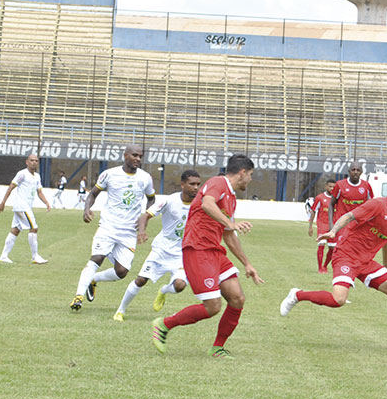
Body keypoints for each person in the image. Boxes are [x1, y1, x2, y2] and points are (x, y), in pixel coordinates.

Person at [279, 175, 387, 355]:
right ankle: (297, 295)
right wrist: (333, 232)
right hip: (346, 255)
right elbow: (349, 216)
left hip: (366, 262)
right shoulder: (377, 205)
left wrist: (386, 267)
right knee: (339, 300)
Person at [151, 154, 263, 359]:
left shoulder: (231, 198)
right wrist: (230, 223)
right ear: (243, 172)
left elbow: (228, 235)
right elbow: (207, 204)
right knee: (212, 307)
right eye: (251, 175)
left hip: (215, 251)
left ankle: (217, 347)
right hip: (198, 250)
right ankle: (164, 324)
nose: (250, 180)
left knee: (237, 299)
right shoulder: (218, 183)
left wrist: (247, 263)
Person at [70, 146, 155, 311]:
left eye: (140, 156)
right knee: (97, 257)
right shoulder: (109, 174)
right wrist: (87, 209)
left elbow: (152, 199)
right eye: (134, 155)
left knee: (122, 271)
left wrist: (145, 216)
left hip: (129, 231)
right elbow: (93, 194)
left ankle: (94, 280)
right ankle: (78, 296)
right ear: (125, 156)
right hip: (108, 226)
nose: (138, 159)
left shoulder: (145, 178)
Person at [114, 169, 202, 321]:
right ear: (182, 184)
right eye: (192, 184)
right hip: (162, 249)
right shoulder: (170, 200)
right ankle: (120, 311)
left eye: (198, 184)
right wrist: (142, 231)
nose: (196, 187)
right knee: (141, 280)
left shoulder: (201, 204)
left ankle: (163, 291)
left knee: (180, 286)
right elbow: (145, 216)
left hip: (182, 253)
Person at [0, 152, 51, 264]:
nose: (34, 162)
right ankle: (35, 257)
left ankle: (3, 256)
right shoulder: (22, 174)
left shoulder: (37, 176)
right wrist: (3, 202)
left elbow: (39, 191)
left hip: (25, 207)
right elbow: (11, 186)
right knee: (34, 228)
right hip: (22, 206)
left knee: (15, 230)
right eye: (31, 160)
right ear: (27, 162)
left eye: (36, 161)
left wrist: (46, 202)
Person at [329, 161, 373, 245]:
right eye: (353, 170)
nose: (355, 172)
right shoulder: (340, 185)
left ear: (361, 172)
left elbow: (370, 207)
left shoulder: (366, 186)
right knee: (341, 251)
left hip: (358, 226)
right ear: (349, 171)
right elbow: (331, 204)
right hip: (342, 226)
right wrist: (331, 225)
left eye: (358, 170)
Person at [307, 179, 336, 272]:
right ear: (326, 187)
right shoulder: (320, 197)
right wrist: (310, 226)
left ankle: (325, 266)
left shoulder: (337, 198)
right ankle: (320, 268)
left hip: (333, 226)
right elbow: (313, 211)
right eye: (330, 186)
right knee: (321, 245)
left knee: (332, 248)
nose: (332, 188)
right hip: (322, 224)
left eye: (333, 187)